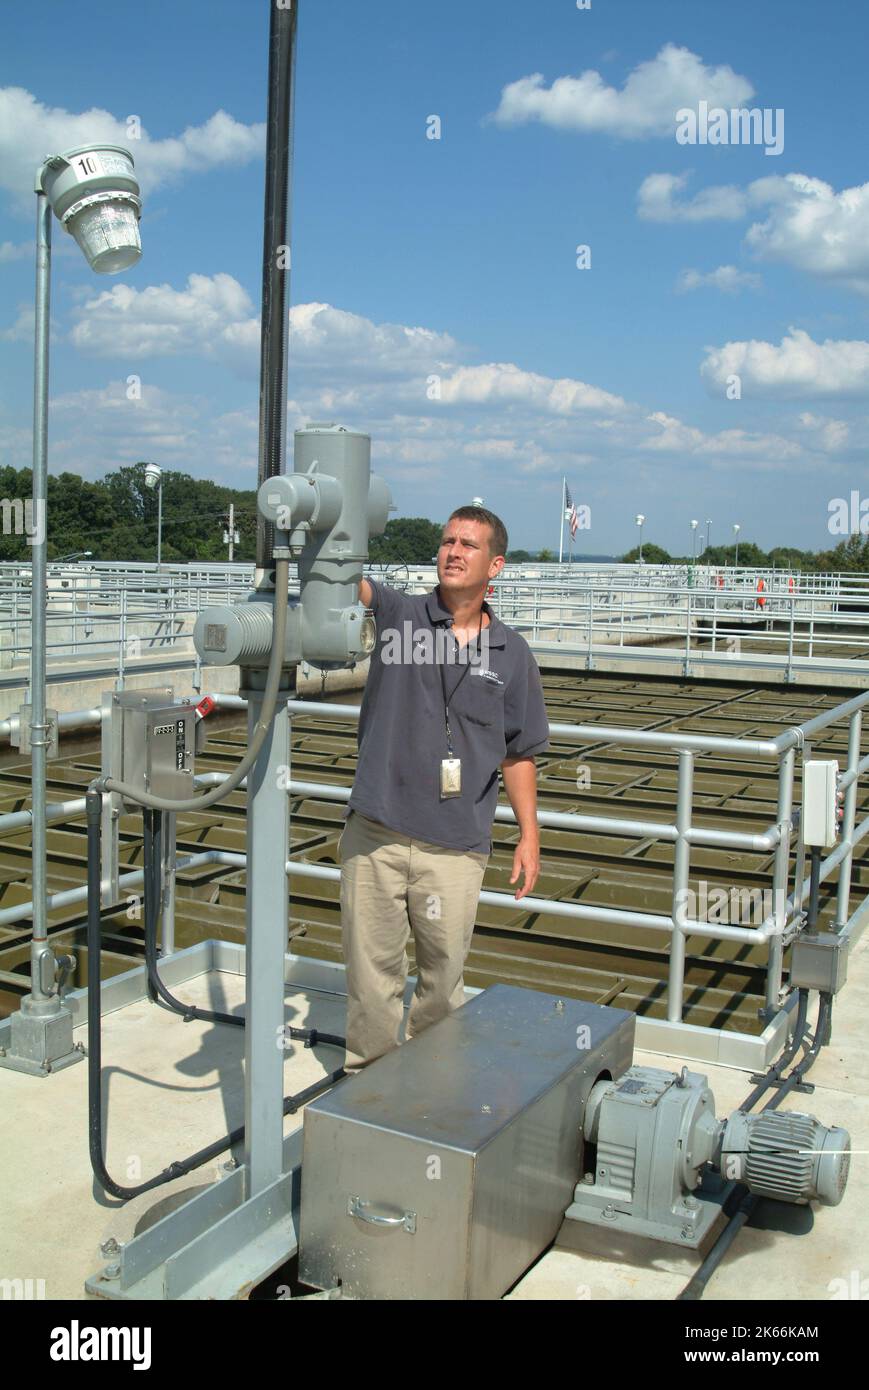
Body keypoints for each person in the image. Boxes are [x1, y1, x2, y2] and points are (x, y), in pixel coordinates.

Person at [338, 504, 550, 1073]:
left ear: (495, 565)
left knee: (442, 984)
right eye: (447, 542)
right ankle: (369, 1087)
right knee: (371, 979)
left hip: (456, 847)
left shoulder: (511, 654)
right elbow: (347, 586)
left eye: (469, 545)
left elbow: (519, 752)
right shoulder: (401, 618)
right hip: (376, 836)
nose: (453, 552)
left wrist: (528, 836)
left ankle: (428, 1091)